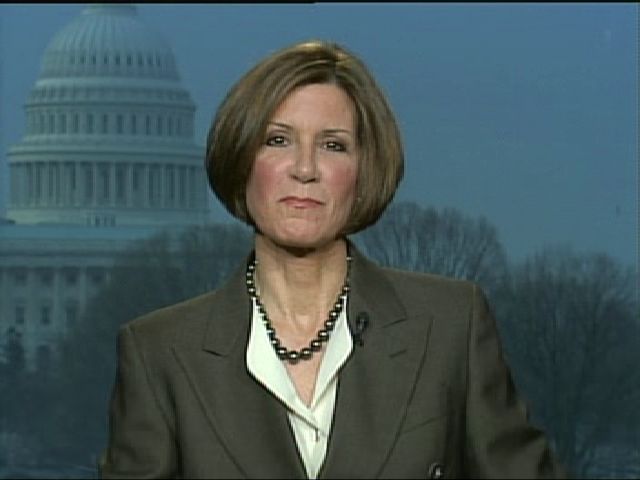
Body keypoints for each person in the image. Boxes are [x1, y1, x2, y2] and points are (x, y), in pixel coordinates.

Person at [99, 40, 566, 479]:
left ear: (364, 171)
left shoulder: (451, 327)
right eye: (277, 140)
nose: (305, 169)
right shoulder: (159, 352)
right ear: (240, 161)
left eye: (333, 145)